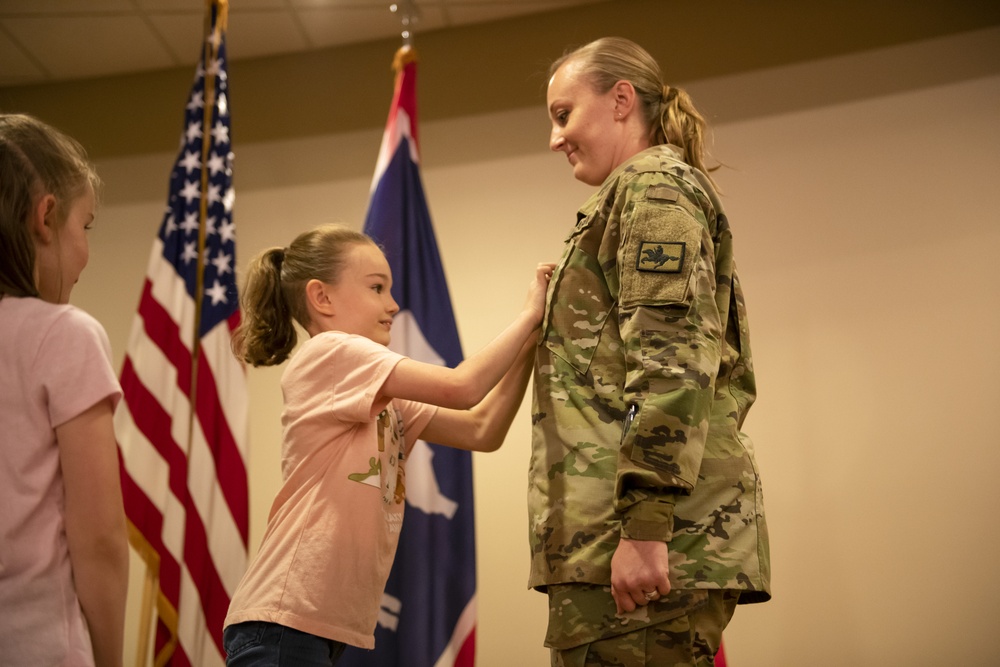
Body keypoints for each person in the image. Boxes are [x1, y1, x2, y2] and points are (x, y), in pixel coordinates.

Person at [528, 37, 771, 666]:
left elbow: (671, 361)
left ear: (621, 101)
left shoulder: (655, 188)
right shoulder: (626, 195)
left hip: (642, 546)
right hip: (611, 544)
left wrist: (644, 529)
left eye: (563, 114)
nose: (555, 138)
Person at [223, 223, 553, 666]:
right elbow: (463, 387)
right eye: (377, 288)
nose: (393, 305)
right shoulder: (333, 351)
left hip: (315, 624)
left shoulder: (385, 398)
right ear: (322, 298)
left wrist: (531, 341)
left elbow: (481, 428)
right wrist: (529, 315)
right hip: (284, 617)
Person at [0, 114, 129, 667]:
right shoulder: (64, 334)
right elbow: (99, 540)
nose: (85, 254)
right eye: (87, 226)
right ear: (45, 217)